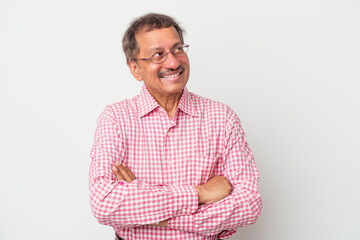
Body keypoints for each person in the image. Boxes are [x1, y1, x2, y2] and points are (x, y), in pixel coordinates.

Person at [89, 13, 262, 240]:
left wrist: (156, 214)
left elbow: (248, 203)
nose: (173, 62)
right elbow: (104, 203)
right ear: (135, 69)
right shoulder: (115, 119)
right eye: (158, 54)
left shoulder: (222, 118)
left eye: (178, 49)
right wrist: (200, 193)